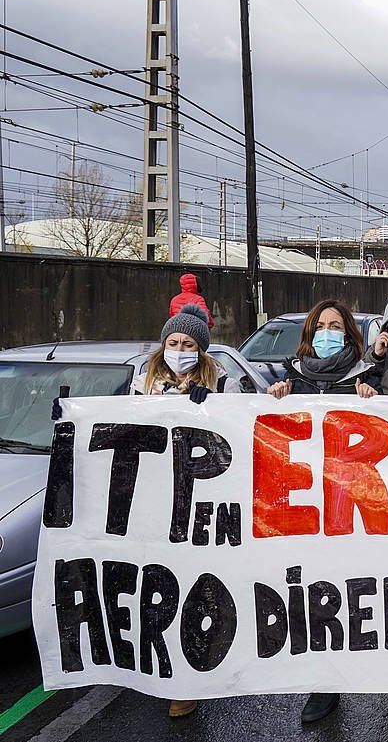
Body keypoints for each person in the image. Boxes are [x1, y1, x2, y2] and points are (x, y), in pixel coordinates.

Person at [264, 299, 378, 724]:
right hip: (307, 509)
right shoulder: (289, 380)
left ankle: (349, 669)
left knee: (350, 589)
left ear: (349, 334)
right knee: (313, 593)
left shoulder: (365, 379)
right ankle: (323, 682)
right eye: (320, 327)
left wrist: (374, 399)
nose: (328, 333)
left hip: (352, 509)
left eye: (336, 326)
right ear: (310, 336)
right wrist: (272, 401)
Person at [130, 305, 236, 719]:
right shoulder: (143, 382)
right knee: (157, 587)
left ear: (202, 349)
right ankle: (163, 672)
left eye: (188, 344)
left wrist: (211, 407)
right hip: (155, 502)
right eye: (172, 342)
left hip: (202, 503)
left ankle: (189, 680)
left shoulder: (221, 382)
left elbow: (236, 435)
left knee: (197, 589)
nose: (178, 349)